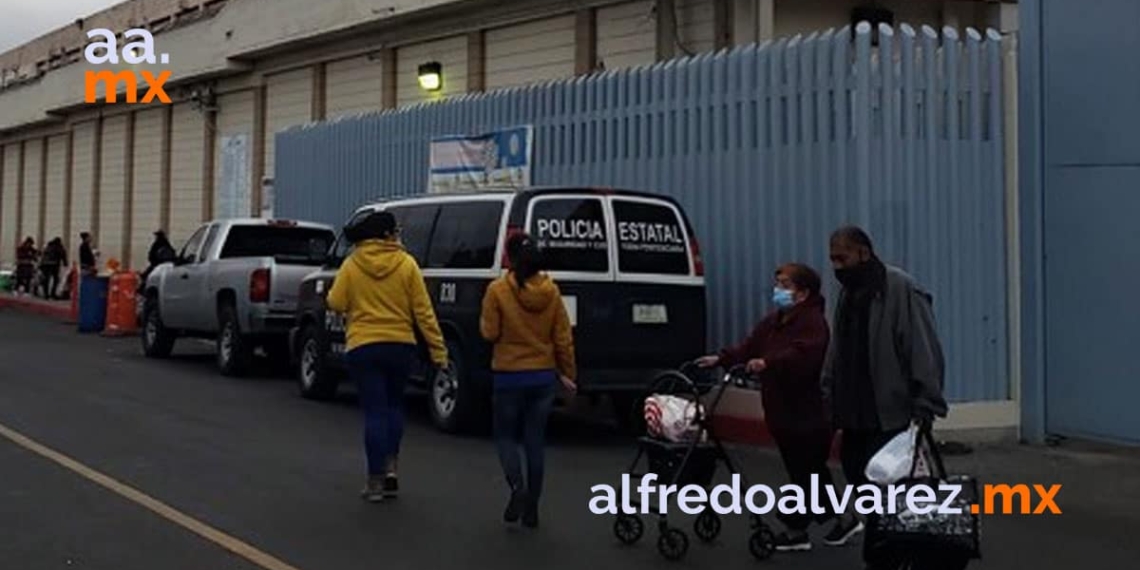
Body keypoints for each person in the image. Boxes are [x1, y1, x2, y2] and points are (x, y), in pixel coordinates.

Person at [821, 226, 947, 564]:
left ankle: (888, 555)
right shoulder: (848, 294)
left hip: (890, 415)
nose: (836, 266)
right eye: (832, 259)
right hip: (854, 415)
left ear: (863, 253)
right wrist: (828, 391)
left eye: (842, 258)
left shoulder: (900, 288)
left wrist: (926, 402)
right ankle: (884, 550)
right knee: (861, 481)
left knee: (892, 492)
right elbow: (838, 348)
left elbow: (922, 348)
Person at [697, 263, 836, 552]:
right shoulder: (775, 321)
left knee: (803, 472)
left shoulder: (812, 323)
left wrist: (768, 363)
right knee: (809, 471)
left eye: (785, 285)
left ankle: (796, 529)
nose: (778, 290)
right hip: (781, 410)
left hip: (806, 410)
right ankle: (840, 520)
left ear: (803, 293)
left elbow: (803, 355)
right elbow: (749, 346)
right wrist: (721, 359)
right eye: (778, 284)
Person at [325, 210, 449, 503]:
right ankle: (392, 466)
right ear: (387, 235)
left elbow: (336, 301)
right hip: (400, 346)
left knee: (374, 412)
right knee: (394, 407)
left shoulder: (352, 264)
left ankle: (374, 480)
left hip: (363, 347)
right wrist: (438, 351)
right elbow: (424, 312)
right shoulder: (407, 265)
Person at [480, 232, 577, 529]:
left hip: (508, 376)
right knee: (535, 441)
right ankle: (532, 508)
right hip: (542, 378)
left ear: (509, 258)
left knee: (506, 437)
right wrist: (569, 375)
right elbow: (563, 339)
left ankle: (516, 487)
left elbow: (489, 333)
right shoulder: (552, 292)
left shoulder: (497, 290)